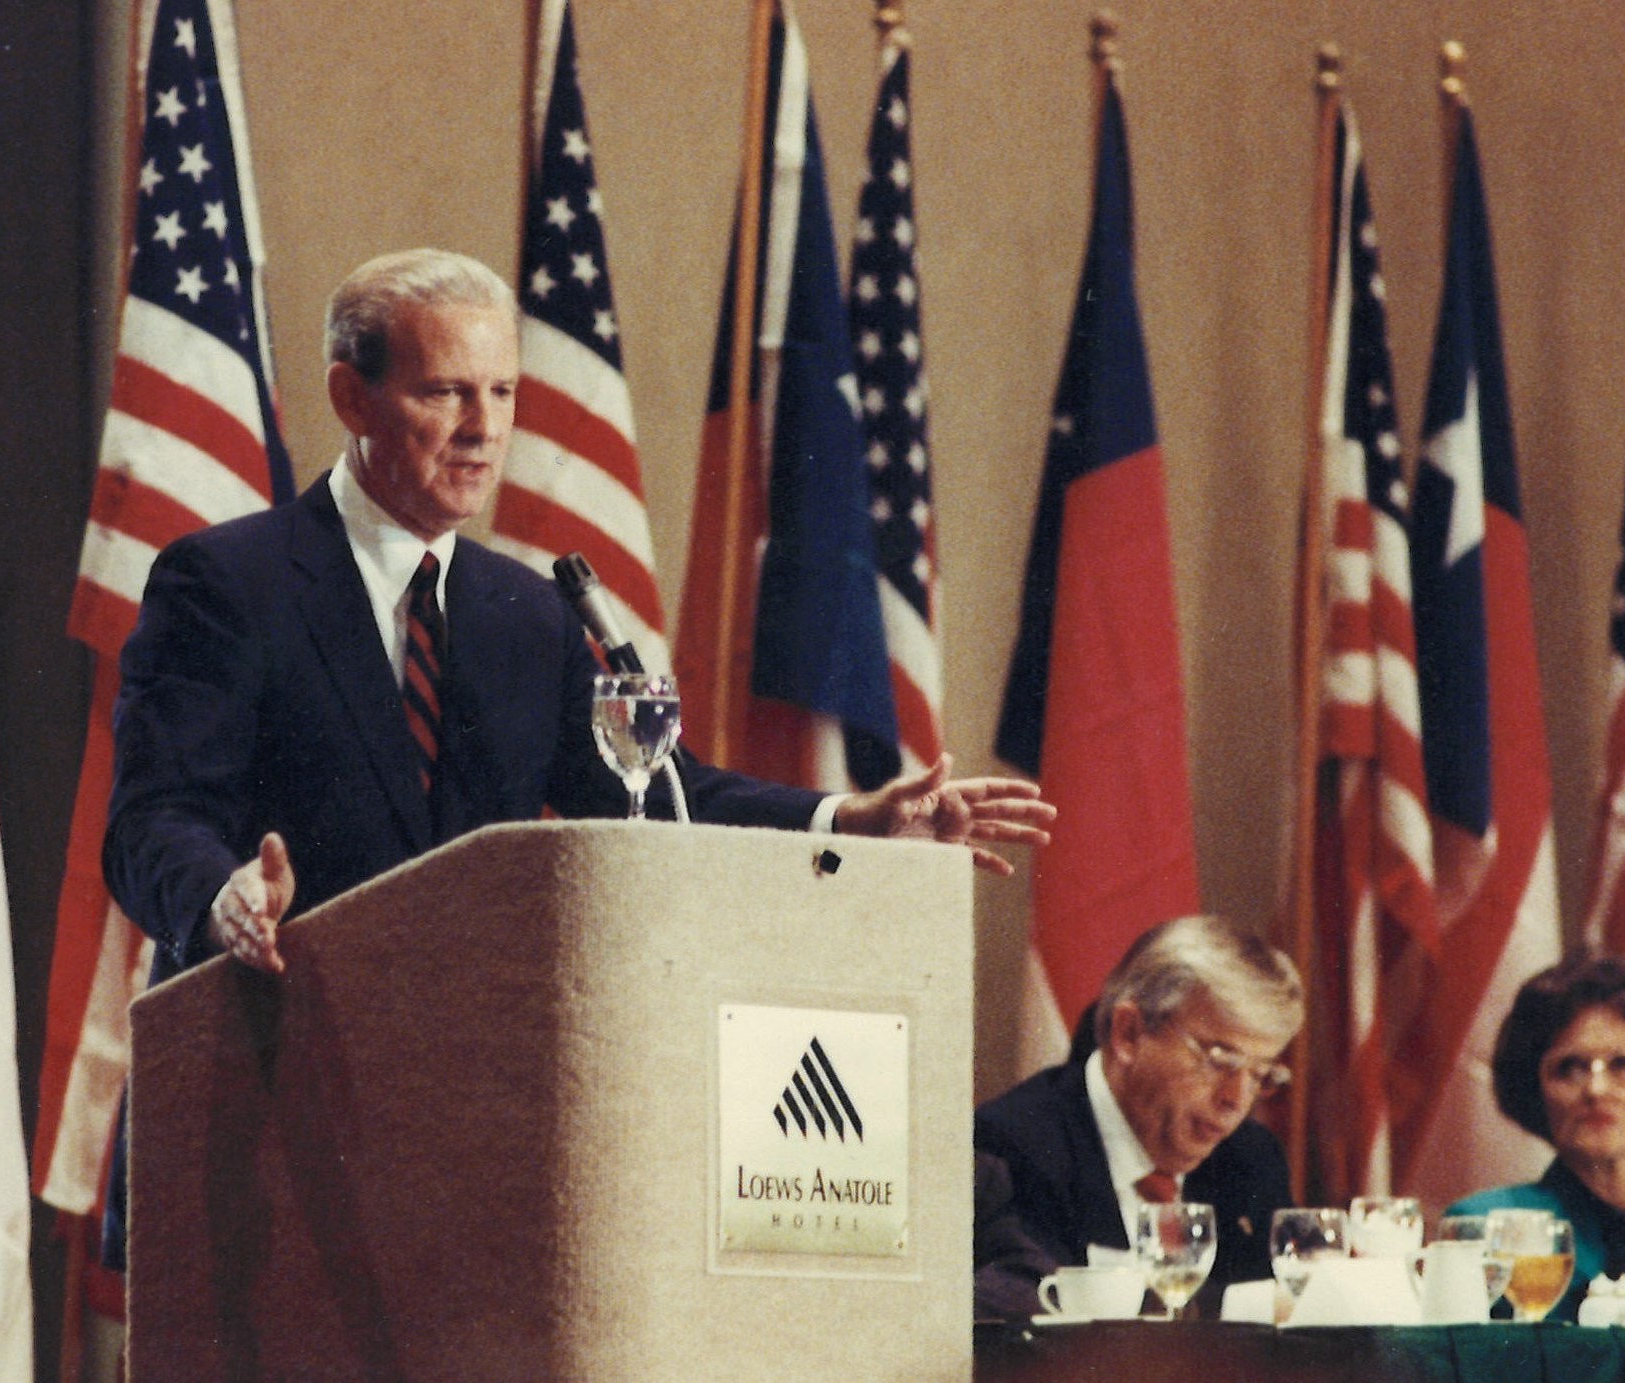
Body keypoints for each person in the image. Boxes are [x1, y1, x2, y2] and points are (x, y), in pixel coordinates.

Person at [102, 246, 1057, 988]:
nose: (485, 428)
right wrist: (223, 897)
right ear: (352, 396)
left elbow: (664, 797)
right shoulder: (228, 583)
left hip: (474, 1102)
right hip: (272, 1071)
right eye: (445, 391)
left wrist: (852, 817)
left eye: (503, 391)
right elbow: (154, 821)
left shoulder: (525, 612)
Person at [973, 915, 1303, 1316]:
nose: (1236, 1100)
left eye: (1259, 1075)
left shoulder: (1252, 1159)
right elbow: (1035, 1320)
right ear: (1129, 1033)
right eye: (1220, 1061)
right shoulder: (1010, 1147)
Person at [1443, 953, 1625, 1322]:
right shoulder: (1485, 1225)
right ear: (1533, 1088)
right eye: (1570, 1067)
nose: (1596, 1090)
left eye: (1624, 1065)